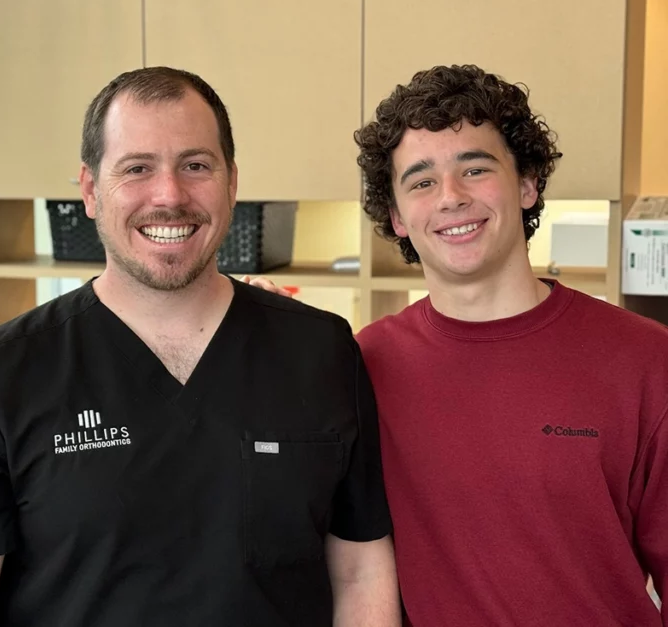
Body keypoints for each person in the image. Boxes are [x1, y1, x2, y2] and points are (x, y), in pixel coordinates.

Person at [0, 66, 400, 626]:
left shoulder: (320, 350)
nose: (169, 195)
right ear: (89, 190)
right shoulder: (0, 374)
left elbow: (360, 570)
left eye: (196, 166)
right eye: (137, 168)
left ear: (232, 182)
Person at [251, 63, 667, 625]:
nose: (450, 197)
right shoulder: (360, 367)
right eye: (421, 181)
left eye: (475, 168)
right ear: (397, 217)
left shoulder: (645, 361)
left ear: (527, 183)